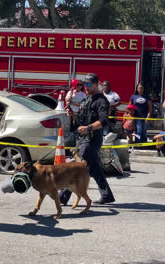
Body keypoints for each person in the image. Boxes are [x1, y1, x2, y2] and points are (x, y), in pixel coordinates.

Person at [59, 73, 116, 206]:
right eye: (85, 84)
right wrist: (73, 115)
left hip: (92, 140)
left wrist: (89, 128)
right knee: (94, 168)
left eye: (89, 84)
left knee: (76, 167)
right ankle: (107, 195)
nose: (86, 86)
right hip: (83, 138)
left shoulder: (101, 101)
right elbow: (82, 119)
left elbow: (103, 120)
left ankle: (63, 196)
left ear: (97, 85)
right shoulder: (87, 99)